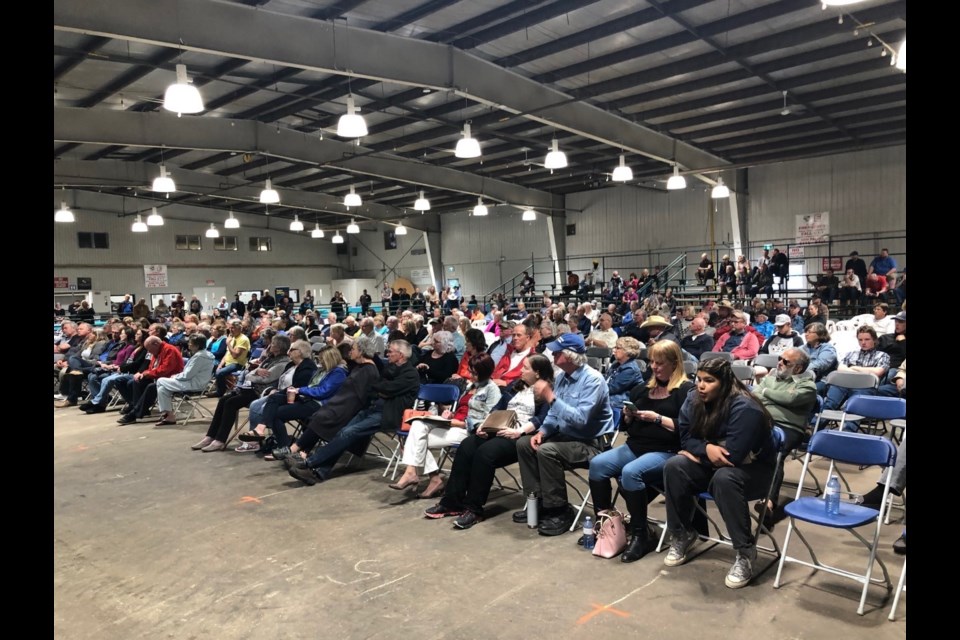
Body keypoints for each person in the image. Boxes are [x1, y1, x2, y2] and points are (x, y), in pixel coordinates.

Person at [662, 358, 778, 589]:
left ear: (724, 383)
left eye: (709, 381)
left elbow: (731, 458)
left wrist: (697, 450)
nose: (701, 386)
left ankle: (745, 553)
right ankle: (682, 534)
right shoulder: (693, 399)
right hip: (713, 468)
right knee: (675, 466)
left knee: (725, 478)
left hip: (755, 472)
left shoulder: (745, 408)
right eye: (699, 379)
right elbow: (684, 439)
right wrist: (706, 448)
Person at [589, 341, 695, 562]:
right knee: (598, 464)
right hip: (636, 445)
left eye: (660, 363)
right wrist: (628, 416)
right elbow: (626, 427)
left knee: (630, 472)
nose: (654, 367)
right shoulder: (643, 389)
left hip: (667, 449)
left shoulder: (685, 391)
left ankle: (641, 534)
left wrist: (656, 418)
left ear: (674, 364)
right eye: (652, 362)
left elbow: (688, 427)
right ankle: (608, 525)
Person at [422, 354, 554, 529]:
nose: (521, 370)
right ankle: (452, 502)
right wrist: (484, 425)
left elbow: (543, 418)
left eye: (526, 368)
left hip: (522, 436)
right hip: (499, 428)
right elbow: (497, 408)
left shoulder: (545, 390)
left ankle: (474, 509)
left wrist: (518, 431)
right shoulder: (517, 386)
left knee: (485, 453)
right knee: (467, 446)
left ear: (537, 373)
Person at [513, 333, 614, 535]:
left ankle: (559, 510)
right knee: (524, 444)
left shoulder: (593, 380)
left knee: (547, 451)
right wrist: (543, 431)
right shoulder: (562, 378)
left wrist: (550, 397)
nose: (553, 355)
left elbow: (580, 419)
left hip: (591, 443)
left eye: (557, 352)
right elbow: (553, 415)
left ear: (569, 356)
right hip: (566, 437)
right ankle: (537, 502)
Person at [286, 340, 420, 484]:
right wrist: (383, 390)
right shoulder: (390, 368)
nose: (387, 353)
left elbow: (386, 388)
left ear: (400, 355)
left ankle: (310, 462)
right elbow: (377, 387)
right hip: (372, 408)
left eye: (391, 351)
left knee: (347, 432)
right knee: (342, 432)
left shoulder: (410, 374)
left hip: (387, 414)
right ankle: (319, 473)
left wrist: (383, 389)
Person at [390, 353, 501, 498]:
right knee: (417, 424)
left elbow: (487, 419)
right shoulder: (470, 386)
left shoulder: (493, 390)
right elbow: (462, 408)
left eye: (474, 373)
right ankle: (421, 475)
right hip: (453, 423)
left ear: (484, 372)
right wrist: (450, 414)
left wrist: (460, 422)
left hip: (467, 431)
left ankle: (425, 476)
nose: (470, 375)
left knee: (416, 441)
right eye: (470, 371)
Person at [191, 334, 293, 452]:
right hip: (250, 389)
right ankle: (210, 436)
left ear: (280, 347)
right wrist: (256, 372)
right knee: (223, 400)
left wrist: (254, 373)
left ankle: (220, 440)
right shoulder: (270, 358)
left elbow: (264, 379)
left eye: (273, 344)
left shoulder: (283, 363)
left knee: (231, 403)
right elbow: (251, 372)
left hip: (261, 393)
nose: (270, 345)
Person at [751, 348, 817, 526]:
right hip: (762, 423)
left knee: (775, 453)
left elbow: (790, 400)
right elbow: (753, 396)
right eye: (780, 359)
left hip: (788, 428)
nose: (780, 362)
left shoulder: (807, 385)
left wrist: (765, 393)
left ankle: (769, 502)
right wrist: (770, 395)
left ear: (798, 368)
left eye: (786, 361)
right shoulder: (769, 378)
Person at [250, 343, 347, 459]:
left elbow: (323, 392)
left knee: (276, 413)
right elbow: (312, 386)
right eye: (319, 358)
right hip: (307, 399)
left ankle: (285, 449)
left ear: (330, 359)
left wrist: (300, 390)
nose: (320, 361)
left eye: (322, 358)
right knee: (274, 402)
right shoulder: (322, 370)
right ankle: (277, 441)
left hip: (318, 404)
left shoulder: (338, 373)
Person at [821, 326, 889, 428]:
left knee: (855, 408)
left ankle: (848, 434)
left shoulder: (882, 355)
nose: (863, 342)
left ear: (874, 340)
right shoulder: (851, 354)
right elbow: (840, 369)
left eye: (867, 339)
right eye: (860, 340)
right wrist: (864, 372)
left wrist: (854, 367)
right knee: (829, 404)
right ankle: (812, 428)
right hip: (844, 384)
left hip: (865, 387)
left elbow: (877, 372)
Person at [115, 336, 185, 424]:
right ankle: (138, 409)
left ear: (156, 344)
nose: (148, 351)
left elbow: (165, 370)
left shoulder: (169, 350)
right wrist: (143, 373)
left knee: (151, 387)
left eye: (149, 349)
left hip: (169, 380)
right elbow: (151, 368)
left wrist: (148, 374)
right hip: (158, 378)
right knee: (137, 381)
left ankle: (134, 414)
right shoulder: (156, 351)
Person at [151, 335, 218, 425]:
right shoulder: (201, 355)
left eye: (191, 343)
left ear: (197, 346)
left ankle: (165, 413)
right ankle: (170, 416)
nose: (188, 345)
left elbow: (187, 375)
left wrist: (174, 377)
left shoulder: (200, 357)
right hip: (190, 381)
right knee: (162, 389)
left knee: (160, 380)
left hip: (194, 384)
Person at [209, 319, 251, 397]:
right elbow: (227, 354)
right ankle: (217, 388)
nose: (231, 330)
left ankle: (220, 392)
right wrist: (220, 365)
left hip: (237, 364)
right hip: (228, 363)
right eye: (230, 328)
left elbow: (235, 355)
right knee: (213, 367)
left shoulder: (243, 339)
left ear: (239, 328)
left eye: (233, 328)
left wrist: (228, 343)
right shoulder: (232, 337)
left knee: (219, 373)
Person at [605, 337, 646, 409]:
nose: (614, 350)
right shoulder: (616, 364)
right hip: (613, 396)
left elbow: (613, 388)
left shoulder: (630, 369)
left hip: (623, 399)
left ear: (627, 351)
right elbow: (606, 381)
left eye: (617, 348)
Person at [801, 322, 837, 389]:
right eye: (806, 332)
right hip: (802, 377)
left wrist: (799, 369)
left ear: (820, 334)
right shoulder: (803, 347)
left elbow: (820, 364)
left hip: (821, 380)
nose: (806, 334)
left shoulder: (828, 349)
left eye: (809, 332)